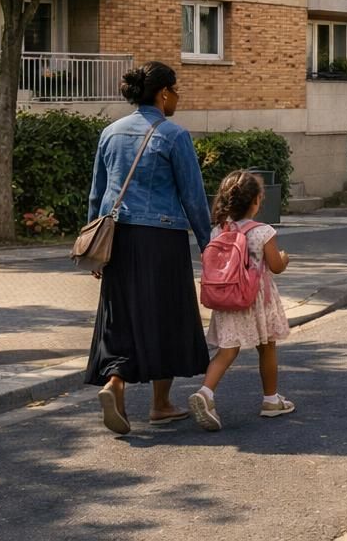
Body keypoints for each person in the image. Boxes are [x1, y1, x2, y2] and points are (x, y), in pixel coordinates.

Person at [84, 60, 212, 435]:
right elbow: (193, 196)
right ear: (163, 93)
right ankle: (160, 404)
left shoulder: (110, 133)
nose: (178, 97)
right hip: (162, 238)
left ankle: (115, 384)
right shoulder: (174, 135)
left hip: (117, 237)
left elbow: (97, 193)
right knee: (167, 316)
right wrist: (208, 245)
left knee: (120, 316)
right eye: (176, 90)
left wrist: (95, 247)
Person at [188, 171, 293, 430]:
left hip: (229, 298)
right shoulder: (263, 232)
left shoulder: (217, 231)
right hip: (257, 300)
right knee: (267, 348)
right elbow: (276, 266)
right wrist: (285, 257)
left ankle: (205, 393)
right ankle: (271, 400)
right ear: (256, 201)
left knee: (227, 351)